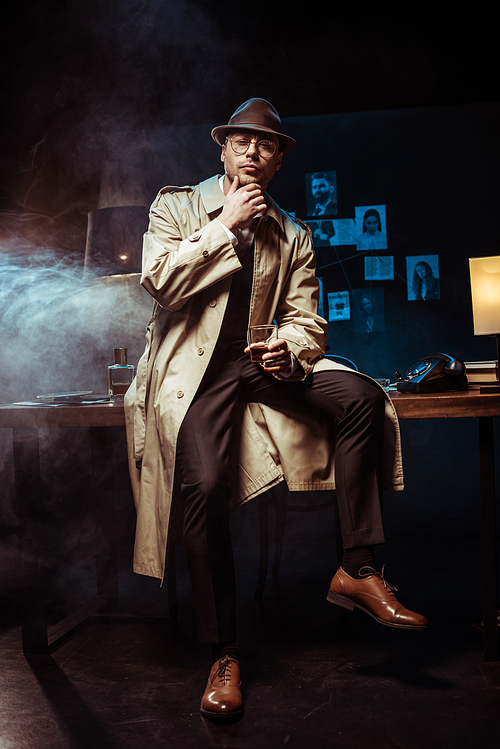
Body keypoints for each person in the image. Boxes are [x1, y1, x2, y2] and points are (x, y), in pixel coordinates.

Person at [124, 98, 428, 721]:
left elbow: (307, 321)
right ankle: (223, 653)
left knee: (364, 397)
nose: (253, 153)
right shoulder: (176, 206)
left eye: (266, 146)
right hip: (196, 375)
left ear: (280, 159)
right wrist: (226, 226)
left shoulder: (293, 232)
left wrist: (287, 350)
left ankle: (358, 567)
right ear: (224, 149)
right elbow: (159, 282)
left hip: (262, 369)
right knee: (204, 487)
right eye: (242, 142)